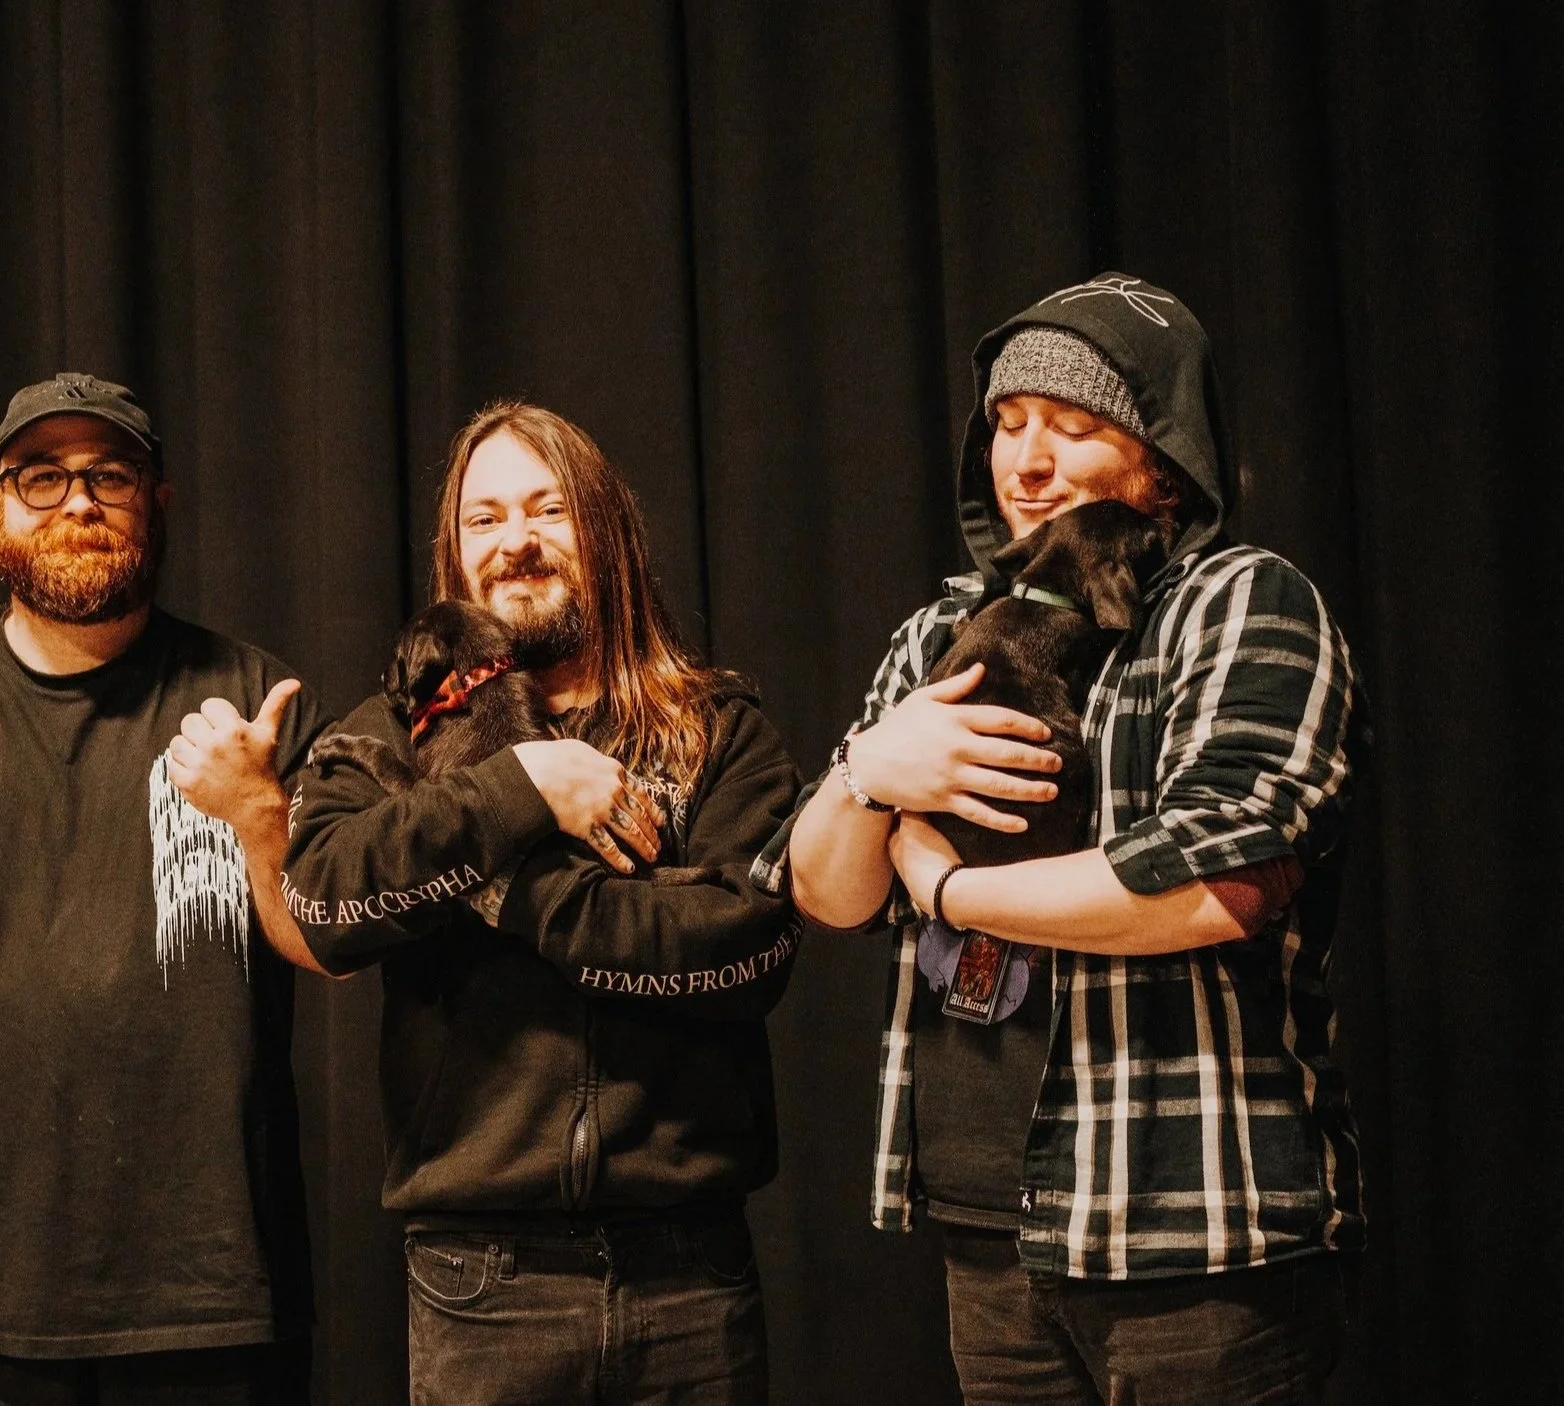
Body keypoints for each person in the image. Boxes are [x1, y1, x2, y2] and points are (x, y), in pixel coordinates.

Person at [762, 273, 1364, 1402]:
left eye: (1071, 426)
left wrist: (945, 892)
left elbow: (1214, 884)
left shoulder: (1240, 603)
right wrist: (863, 774)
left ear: (1159, 455)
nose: (1024, 459)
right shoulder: (939, 629)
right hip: (991, 1225)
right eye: (1006, 422)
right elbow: (826, 892)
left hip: (1193, 1230)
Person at [0, 373, 327, 1406]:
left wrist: (260, 813)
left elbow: (323, 948)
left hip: (205, 1302)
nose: (76, 502)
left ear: (155, 500)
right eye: (41, 477)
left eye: (107, 476)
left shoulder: (255, 705)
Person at [276, 401, 802, 1404]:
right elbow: (326, 909)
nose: (514, 540)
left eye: (546, 508)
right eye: (483, 519)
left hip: (688, 1275)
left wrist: (502, 881)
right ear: (454, 553)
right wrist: (518, 790)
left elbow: (746, 952)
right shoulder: (384, 735)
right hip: (482, 1283)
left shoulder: (716, 729)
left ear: (602, 531)